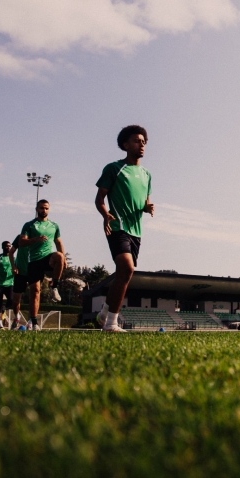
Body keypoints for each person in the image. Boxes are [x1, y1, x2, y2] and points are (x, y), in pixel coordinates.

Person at [94, 125, 154, 333]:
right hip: (117, 225)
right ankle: (111, 323)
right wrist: (105, 214)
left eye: (143, 141)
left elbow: (145, 201)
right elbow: (100, 199)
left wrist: (147, 208)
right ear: (125, 145)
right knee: (127, 268)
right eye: (137, 141)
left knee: (123, 274)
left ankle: (104, 312)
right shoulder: (114, 168)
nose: (141, 144)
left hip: (136, 231)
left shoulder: (147, 174)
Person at [20, 200, 66, 330]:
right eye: (41, 208)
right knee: (35, 291)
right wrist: (35, 239)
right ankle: (34, 322)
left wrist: (64, 258)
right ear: (37, 209)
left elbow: (58, 242)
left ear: (49, 209)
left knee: (60, 256)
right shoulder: (29, 225)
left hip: (48, 257)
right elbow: (21, 242)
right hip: (34, 260)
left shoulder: (54, 225)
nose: (44, 210)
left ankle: (54, 286)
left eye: (46, 208)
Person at [8, 235, 30, 329]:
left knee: (35, 296)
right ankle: (17, 317)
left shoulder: (40, 237)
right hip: (20, 272)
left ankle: (31, 322)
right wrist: (13, 266)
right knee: (16, 299)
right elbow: (11, 252)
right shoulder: (21, 237)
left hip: (33, 271)